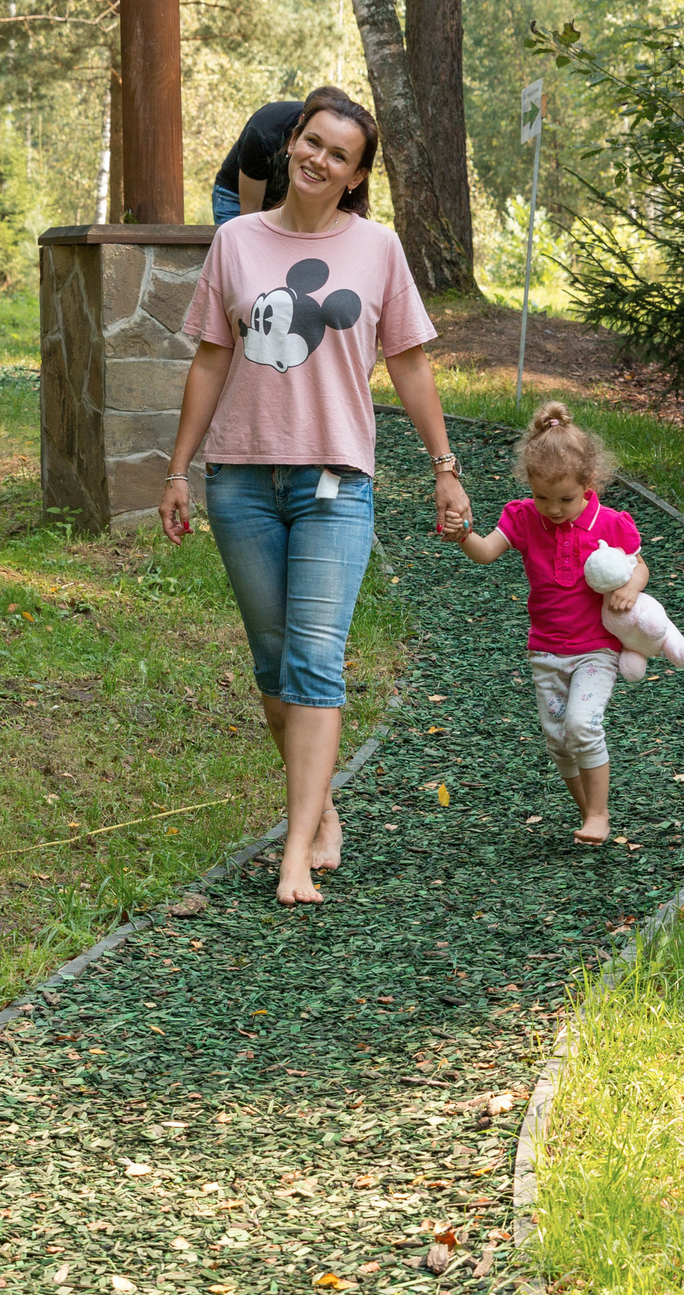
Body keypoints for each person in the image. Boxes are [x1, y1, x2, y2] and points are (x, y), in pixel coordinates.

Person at [160, 89, 474, 906]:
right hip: (240, 482)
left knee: (314, 660)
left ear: (357, 174)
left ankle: (295, 850)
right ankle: (321, 804)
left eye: (339, 153)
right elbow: (209, 359)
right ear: (289, 143)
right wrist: (177, 469)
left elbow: (407, 361)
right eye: (310, 142)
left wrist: (444, 463)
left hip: (336, 482)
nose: (318, 158)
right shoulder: (236, 241)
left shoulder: (377, 249)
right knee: (274, 667)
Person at [438, 403, 647, 847]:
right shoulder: (522, 517)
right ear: (529, 487)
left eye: (566, 499)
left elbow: (637, 564)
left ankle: (599, 812)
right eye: (543, 497)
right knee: (559, 741)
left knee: (582, 725)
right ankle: (587, 812)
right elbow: (485, 552)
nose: (553, 509)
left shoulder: (608, 523)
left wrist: (630, 586)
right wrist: (462, 536)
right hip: (546, 650)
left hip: (596, 648)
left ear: (589, 486)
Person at [209, 96, 315, 225]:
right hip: (236, 198)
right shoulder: (263, 134)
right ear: (302, 120)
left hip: (279, 201)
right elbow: (250, 211)